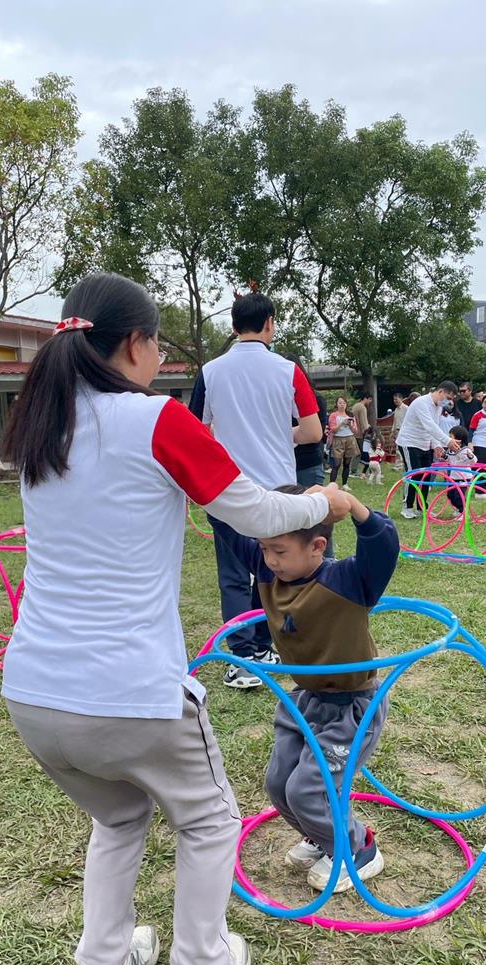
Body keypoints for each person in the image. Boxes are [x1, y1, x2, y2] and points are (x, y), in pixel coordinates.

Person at [0, 272, 353, 965]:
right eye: (158, 344)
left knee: (118, 819)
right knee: (209, 822)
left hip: (33, 694)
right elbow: (258, 512)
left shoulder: (40, 426)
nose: (161, 359)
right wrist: (326, 500)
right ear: (133, 343)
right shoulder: (155, 418)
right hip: (132, 694)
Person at [212, 485, 399, 893]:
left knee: (308, 789)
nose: (268, 560)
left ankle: (358, 848)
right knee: (279, 784)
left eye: (279, 550)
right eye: (264, 549)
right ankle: (320, 835)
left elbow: (383, 544)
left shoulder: (349, 580)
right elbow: (225, 522)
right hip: (303, 702)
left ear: (317, 546)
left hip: (352, 707)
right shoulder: (268, 571)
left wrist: (351, 505)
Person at [189, 292, 324, 689]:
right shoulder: (288, 370)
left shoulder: (210, 372)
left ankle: (241, 657)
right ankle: (264, 646)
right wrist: (281, 435)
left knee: (233, 575)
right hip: (279, 491)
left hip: (227, 488)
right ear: (270, 323)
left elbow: (197, 433)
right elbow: (313, 431)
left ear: (233, 326)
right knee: (272, 569)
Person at [283, 353, 334, 558]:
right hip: (283, 466)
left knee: (318, 518)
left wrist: (282, 435)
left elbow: (315, 434)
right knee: (287, 520)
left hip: (308, 465)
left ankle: (327, 561)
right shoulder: (276, 399)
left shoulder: (314, 398)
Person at [395, 381, 461, 519]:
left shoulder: (438, 407)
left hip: (425, 444)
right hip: (409, 442)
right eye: (448, 398)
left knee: (426, 475)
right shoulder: (421, 403)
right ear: (441, 392)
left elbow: (434, 426)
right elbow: (429, 425)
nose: (449, 402)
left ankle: (422, 507)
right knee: (414, 474)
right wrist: (447, 441)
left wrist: (436, 445)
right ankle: (407, 507)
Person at [443, 425, 477, 515]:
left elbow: (474, 461)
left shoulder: (466, 450)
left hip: (464, 477)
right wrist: (443, 456)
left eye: (451, 437)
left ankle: (463, 512)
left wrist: (470, 456)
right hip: (453, 477)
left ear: (459, 439)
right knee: (450, 495)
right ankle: (459, 509)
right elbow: (449, 460)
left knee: (459, 496)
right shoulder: (450, 450)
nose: (449, 439)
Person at [328, 396, 359, 489]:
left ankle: (344, 484)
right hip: (338, 439)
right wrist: (342, 423)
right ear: (337, 404)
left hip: (350, 438)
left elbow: (355, 431)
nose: (342, 405)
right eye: (340, 403)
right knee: (336, 464)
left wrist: (350, 425)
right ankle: (332, 485)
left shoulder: (350, 415)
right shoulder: (333, 415)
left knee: (347, 463)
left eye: (344, 403)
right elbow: (333, 429)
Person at [349, 392, 373, 476]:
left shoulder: (355, 406)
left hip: (354, 432)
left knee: (357, 452)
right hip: (361, 434)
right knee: (366, 452)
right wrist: (368, 431)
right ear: (366, 398)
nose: (370, 402)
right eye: (370, 399)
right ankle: (370, 471)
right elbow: (364, 423)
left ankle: (353, 470)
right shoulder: (362, 408)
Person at [391, 392, 408, 470]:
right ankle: (398, 465)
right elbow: (395, 421)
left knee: (403, 448)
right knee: (397, 448)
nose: (395, 401)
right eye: (394, 399)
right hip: (397, 431)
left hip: (404, 431)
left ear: (401, 399)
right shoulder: (396, 409)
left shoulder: (406, 408)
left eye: (396, 399)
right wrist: (392, 431)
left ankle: (402, 464)